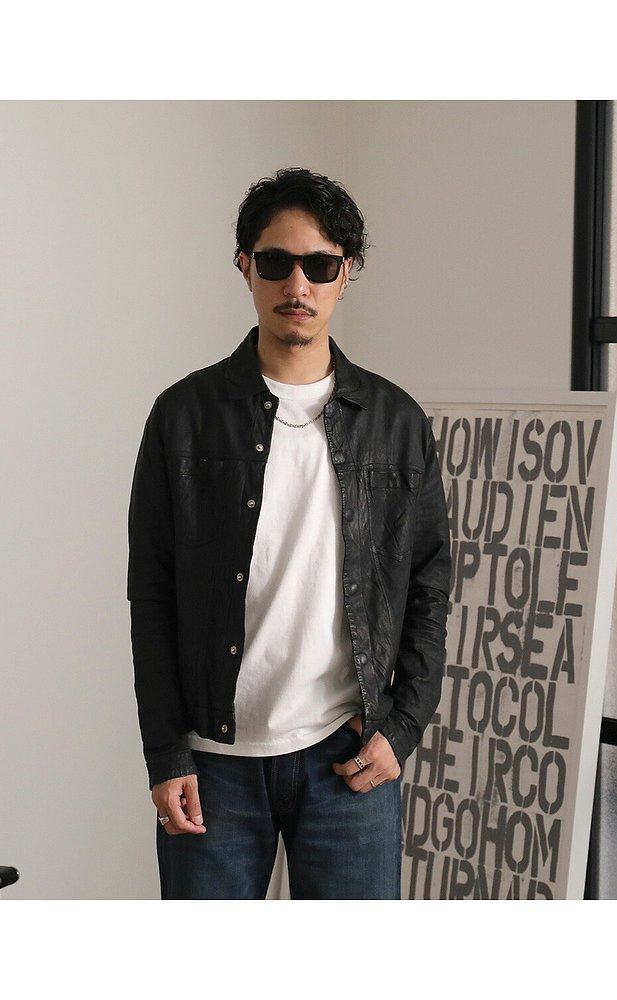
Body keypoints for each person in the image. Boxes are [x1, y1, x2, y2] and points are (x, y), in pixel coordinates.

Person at [127, 167, 450, 899]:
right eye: (275, 262)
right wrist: (165, 753)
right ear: (245, 266)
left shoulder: (396, 423)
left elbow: (429, 584)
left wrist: (402, 727)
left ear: (346, 273)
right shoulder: (184, 416)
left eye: (320, 266)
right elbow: (153, 594)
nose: (297, 285)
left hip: (348, 757)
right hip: (211, 764)